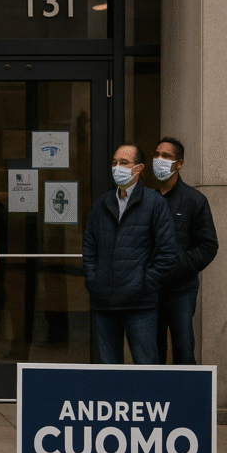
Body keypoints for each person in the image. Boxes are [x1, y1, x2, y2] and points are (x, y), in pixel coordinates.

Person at [82, 144, 177, 364]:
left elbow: (167, 252)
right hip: (104, 302)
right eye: (114, 163)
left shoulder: (155, 204)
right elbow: (89, 245)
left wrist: (146, 283)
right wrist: (93, 280)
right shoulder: (102, 204)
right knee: (109, 370)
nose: (117, 167)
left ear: (139, 168)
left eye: (124, 163)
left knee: (146, 368)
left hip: (140, 304)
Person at [151, 137, 218, 364]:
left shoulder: (194, 200)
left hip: (181, 291)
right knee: (152, 353)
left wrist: (179, 266)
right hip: (150, 290)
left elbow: (208, 245)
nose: (159, 160)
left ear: (179, 163)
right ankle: (157, 398)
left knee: (183, 350)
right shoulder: (145, 199)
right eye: (157, 155)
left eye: (166, 156)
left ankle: (186, 399)